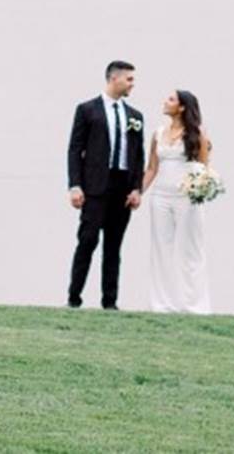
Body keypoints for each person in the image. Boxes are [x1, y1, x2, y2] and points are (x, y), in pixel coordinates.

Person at [66, 60, 145, 310]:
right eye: (129, 79)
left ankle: (110, 302)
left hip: (122, 187)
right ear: (114, 79)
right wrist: (75, 185)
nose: (133, 84)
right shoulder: (87, 110)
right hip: (95, 186)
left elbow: (138, 154)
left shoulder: (135, 116)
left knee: (114, 246)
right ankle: (74, 297)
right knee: (88, 240)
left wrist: (137, 188)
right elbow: (75, 149)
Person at [142, 89, 212, 314]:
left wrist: (199, 191)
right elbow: (152, 167)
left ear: (182, 107)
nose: (165, 101)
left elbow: (203, 167)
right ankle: (162, 304)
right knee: (161, 249)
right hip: (160, 197)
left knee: (191, 250)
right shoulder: (158, 133)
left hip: (187, 198)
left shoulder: (197, 133)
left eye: (171, 99)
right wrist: (139, 192)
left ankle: (194, 305)